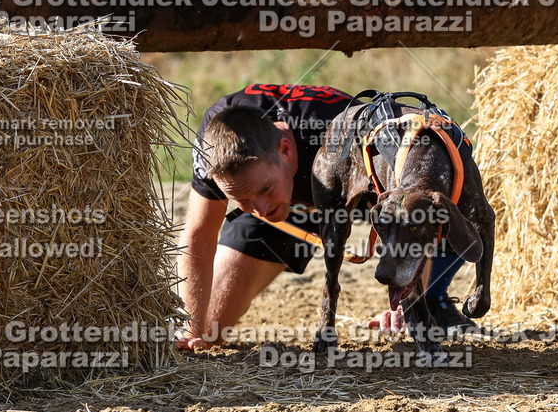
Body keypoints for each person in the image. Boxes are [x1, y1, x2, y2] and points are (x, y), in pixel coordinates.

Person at [175, 83, 477, 351]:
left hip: (357, 184)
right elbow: (199, 235)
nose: (261, 207)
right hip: (292, 198)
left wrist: (406, 293)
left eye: (265, 189)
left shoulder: (343, 128)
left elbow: (411, 212)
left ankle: (433, 298)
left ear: (285, 150)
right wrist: (191, 328)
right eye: (240, 199)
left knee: (451, 216)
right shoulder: (214, 146)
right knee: (209, 331)